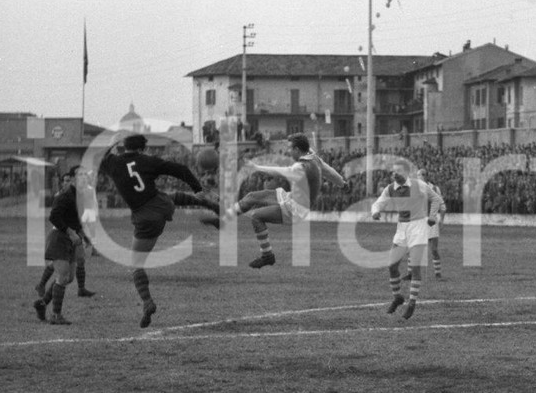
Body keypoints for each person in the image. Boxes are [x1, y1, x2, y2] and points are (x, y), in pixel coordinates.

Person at [99, 133, 220, 328]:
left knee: (136, 265)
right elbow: (180, 169)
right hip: (161, 204)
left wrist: (113, 141)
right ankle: (208, 204)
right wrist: (197, 187)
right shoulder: (148, 160)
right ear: (142, 149)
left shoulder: (113, 163)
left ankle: (147, 303)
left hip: (145, 217)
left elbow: (102, 155)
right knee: (170, 196)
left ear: (124, 147)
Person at [222, 132, 346, 268]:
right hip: (290, 197)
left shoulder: (300, 168)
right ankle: (224, 219)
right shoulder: (314, 158)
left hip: (295, 209)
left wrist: (256, 168)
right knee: (252, 196)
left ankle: (267, 255)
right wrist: (342, 184)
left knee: (256, 216)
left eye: (290, 148)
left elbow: (279, 171)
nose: (288, 151)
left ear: (297, 150)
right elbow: (330, 172)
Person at [371, 158, 445, 320]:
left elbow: (436, 199)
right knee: (392, 266)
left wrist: (432, 215)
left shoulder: (419, 185)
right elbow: (377, 203)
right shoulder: (391, 189)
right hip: (402, 229)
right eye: (393, 172)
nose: (394, 174)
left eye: (398, 171)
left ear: (406, 173)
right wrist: (375, 211)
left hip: (418, 228)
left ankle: (412, 303)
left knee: (416, 268)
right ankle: (398, 297)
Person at [33, 166, 90, 325]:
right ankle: (56, 315)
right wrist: (70, 232)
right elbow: (54, 217)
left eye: (86, 175)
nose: (84, 178)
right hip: (59, 238)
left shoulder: (82, 196)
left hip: (71, 239)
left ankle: (42, 304)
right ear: (72, 179)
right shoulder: (65, 196)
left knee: (69, 277)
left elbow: (77, 220)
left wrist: (81, 235)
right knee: (63, 276)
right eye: (80, 176)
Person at [416, 167, 445, 279]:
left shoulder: (434, 188)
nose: (419, 177)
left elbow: (441, 205)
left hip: (431, 219)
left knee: (433, 249)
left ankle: (438, 273)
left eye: (422, 175)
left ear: (426, 176)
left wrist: (442, 219)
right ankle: (412, 273)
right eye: (418, 175)